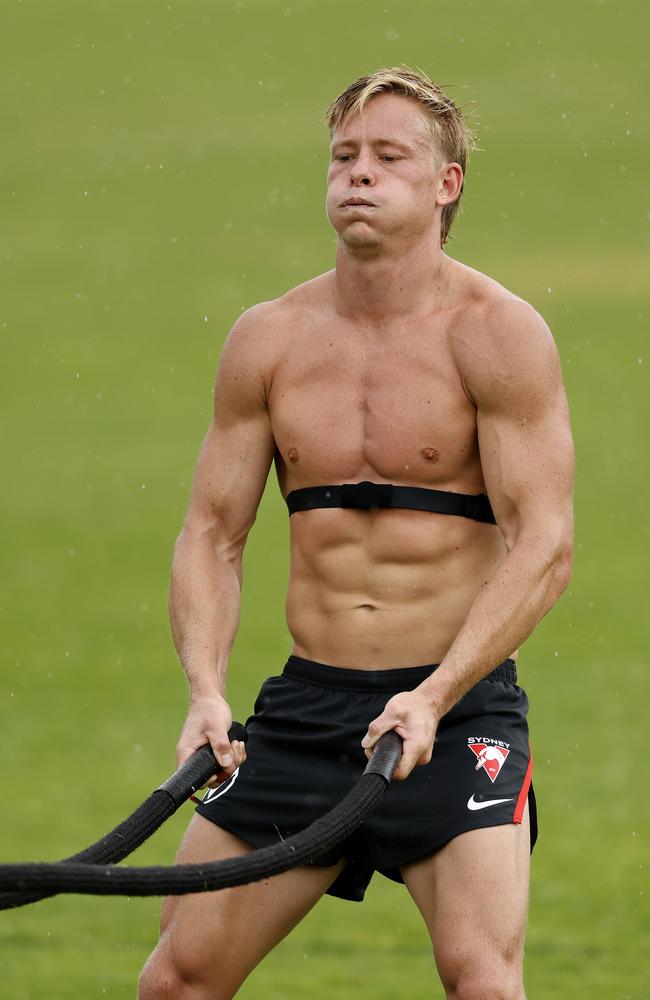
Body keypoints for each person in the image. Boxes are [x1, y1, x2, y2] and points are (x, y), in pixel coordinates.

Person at [139, 67, 574, 1000]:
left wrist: (435, 694)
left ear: (446, 184)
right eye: (343, 156)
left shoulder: (498, 335)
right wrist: (205, 695)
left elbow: (545, 545)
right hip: (305, 715)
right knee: (176, 979)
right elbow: (212, 533)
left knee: (482, 981)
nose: (358, 175)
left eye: (388, 157)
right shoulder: (270, 338)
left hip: (455, 717)